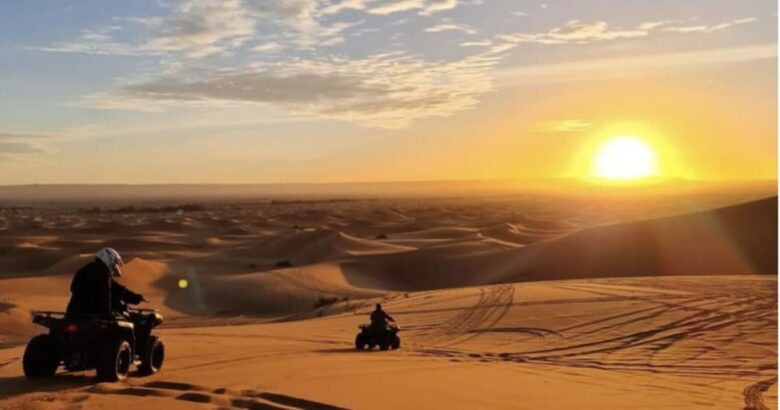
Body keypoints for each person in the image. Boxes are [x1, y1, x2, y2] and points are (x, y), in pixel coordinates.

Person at [66, 248, 145, 318]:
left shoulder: (85, 270)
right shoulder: (102, 274)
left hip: (73, 313)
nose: (114, 266)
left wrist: (134, 297)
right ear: (108, 260)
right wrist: (107, 314)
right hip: (91, 315)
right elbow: (105, 295)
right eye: (114, 263)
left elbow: (116, 288)